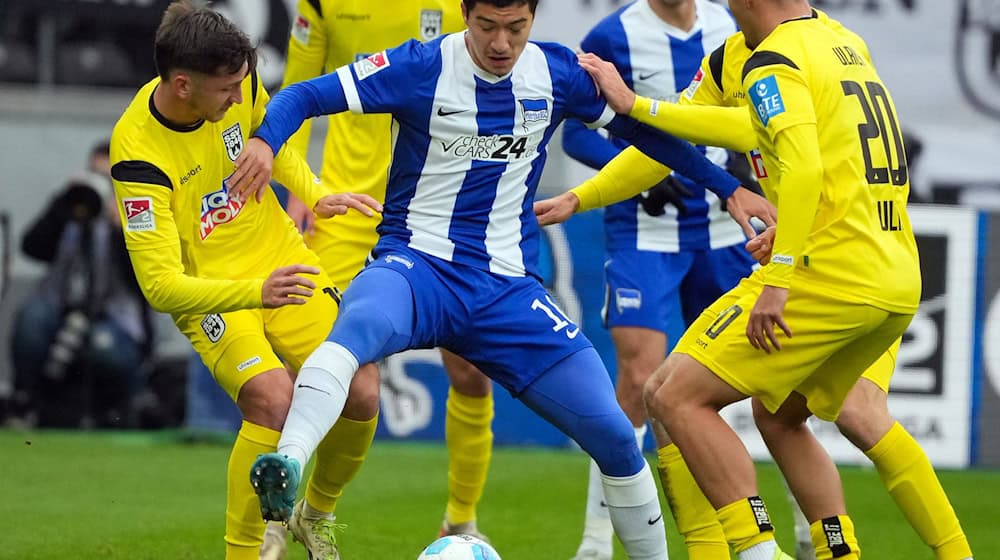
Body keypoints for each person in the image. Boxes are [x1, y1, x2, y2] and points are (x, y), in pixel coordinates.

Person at [231, 0, 775, 556]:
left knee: (615, 435)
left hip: (507, 291)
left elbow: (646, 134)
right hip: (417, 266)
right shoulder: (419, 66)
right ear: (464, 15)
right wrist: (265, 141)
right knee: (355, 332)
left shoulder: (558, 73)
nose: (500, 43)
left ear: (532, 20)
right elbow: (302, 94)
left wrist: (726, 186)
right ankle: (289, 464)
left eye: (515, 28)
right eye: (487, 26)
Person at [538, 5, 976, 559]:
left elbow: (804, 165)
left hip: (826, 274)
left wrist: (782, 270)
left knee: (671, 396)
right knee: (798, 414)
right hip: (891, 271)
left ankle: (741, 551)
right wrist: (584, 196)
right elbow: (705, 137)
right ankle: (882, 552)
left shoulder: (775, 59)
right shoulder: (833, 42)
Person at [108, 3, 382, 559]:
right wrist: (256, 293)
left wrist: (314, 190)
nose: (239, 98)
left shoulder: (236, 79)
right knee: (271, 400)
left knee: (362, 389)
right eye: (226, 90)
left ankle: (315, 514)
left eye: (242, 85)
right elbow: (161, 287)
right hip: (211, 290)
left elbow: (266, 146)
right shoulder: (139, 157)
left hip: (279, 257)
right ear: (182, 85)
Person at [279, 0, 495, 542]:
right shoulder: (322, 3)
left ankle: (463, 518)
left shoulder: (463, 5)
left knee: (471, 370)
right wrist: (296, 190)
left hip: (438, 208)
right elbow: (296, 88)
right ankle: (285, 516)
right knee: (311, 368)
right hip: (346, 208)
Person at [558, 2, 761, 558]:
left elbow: (757, 115)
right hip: (644, 234)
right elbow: (577, 136)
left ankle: (790, 533)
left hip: (726, 231)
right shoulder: (614, 34)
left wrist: (745, 167)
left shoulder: (733, 25)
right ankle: (597, 541)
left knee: (760, 388)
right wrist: (632, 168)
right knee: (641, 379)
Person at [6, 140, 151, 428]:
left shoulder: (131, 217)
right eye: (93, 176)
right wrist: (61, 205)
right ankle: (26, 404)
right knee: (30, 323)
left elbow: (146, 283)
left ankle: (110, 410)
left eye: (107, 180)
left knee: (103, 348)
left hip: (112, 314)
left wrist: (124, 232)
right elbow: (32, 248)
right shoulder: (67, 213)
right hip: (58, 305)